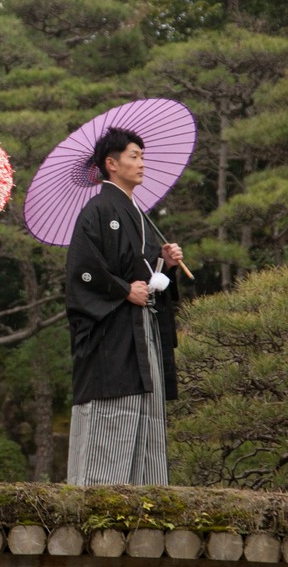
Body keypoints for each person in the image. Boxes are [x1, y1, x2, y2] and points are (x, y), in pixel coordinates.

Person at [64, 126, 183, 485]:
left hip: (141, 328)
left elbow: (144, 274)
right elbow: (81, 271)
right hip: (111, 335)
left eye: (142, 156)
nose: (142, 163)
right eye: (134, 156)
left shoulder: (137, 213)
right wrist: (121, 290)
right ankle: (99, 493)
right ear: (111, 164)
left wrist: (166, 264)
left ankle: (145, 496)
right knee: (112, 409)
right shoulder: (99, 209)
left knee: (145, 411)